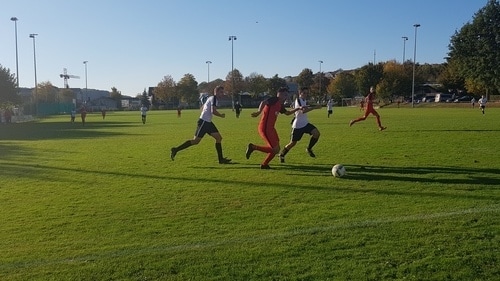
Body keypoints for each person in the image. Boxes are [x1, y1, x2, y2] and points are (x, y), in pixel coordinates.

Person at [170, 85, 232, 164]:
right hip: (203, 122)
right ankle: (175, 149)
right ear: (216, 92)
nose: (222, 94)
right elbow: (213, 111)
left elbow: (203, 107)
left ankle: (221, 160)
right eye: (221, 92)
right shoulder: (214, 98)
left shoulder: (210, 98)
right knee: (196, 141)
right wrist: (221, 115)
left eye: (223, 92)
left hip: (208, 122)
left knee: (219, 138)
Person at [245, 87, 302, 169]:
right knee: (275, 149)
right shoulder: (274, 99)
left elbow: (287, 113)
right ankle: (253, 147)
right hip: (265, 128)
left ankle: (264, 164)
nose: (286, 97)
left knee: (277, 148)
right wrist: (258, 112)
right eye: (285, 95)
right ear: (279, 94)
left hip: (271, 128)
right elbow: (263, 102)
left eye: (287, 95)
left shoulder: (279, 104)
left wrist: (298, 108)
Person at [279, 87, 322, 163]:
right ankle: (282, 154)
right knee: (292, 143)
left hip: (305, 124)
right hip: (298, 126)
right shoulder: (298, 100)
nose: (306, 94)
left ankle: (309, 149)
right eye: (304, 93)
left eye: (306, 93)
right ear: (300, 93)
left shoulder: (303, 100)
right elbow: (303, 111)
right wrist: (315, 107)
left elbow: (300, 107)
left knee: (316, 133)